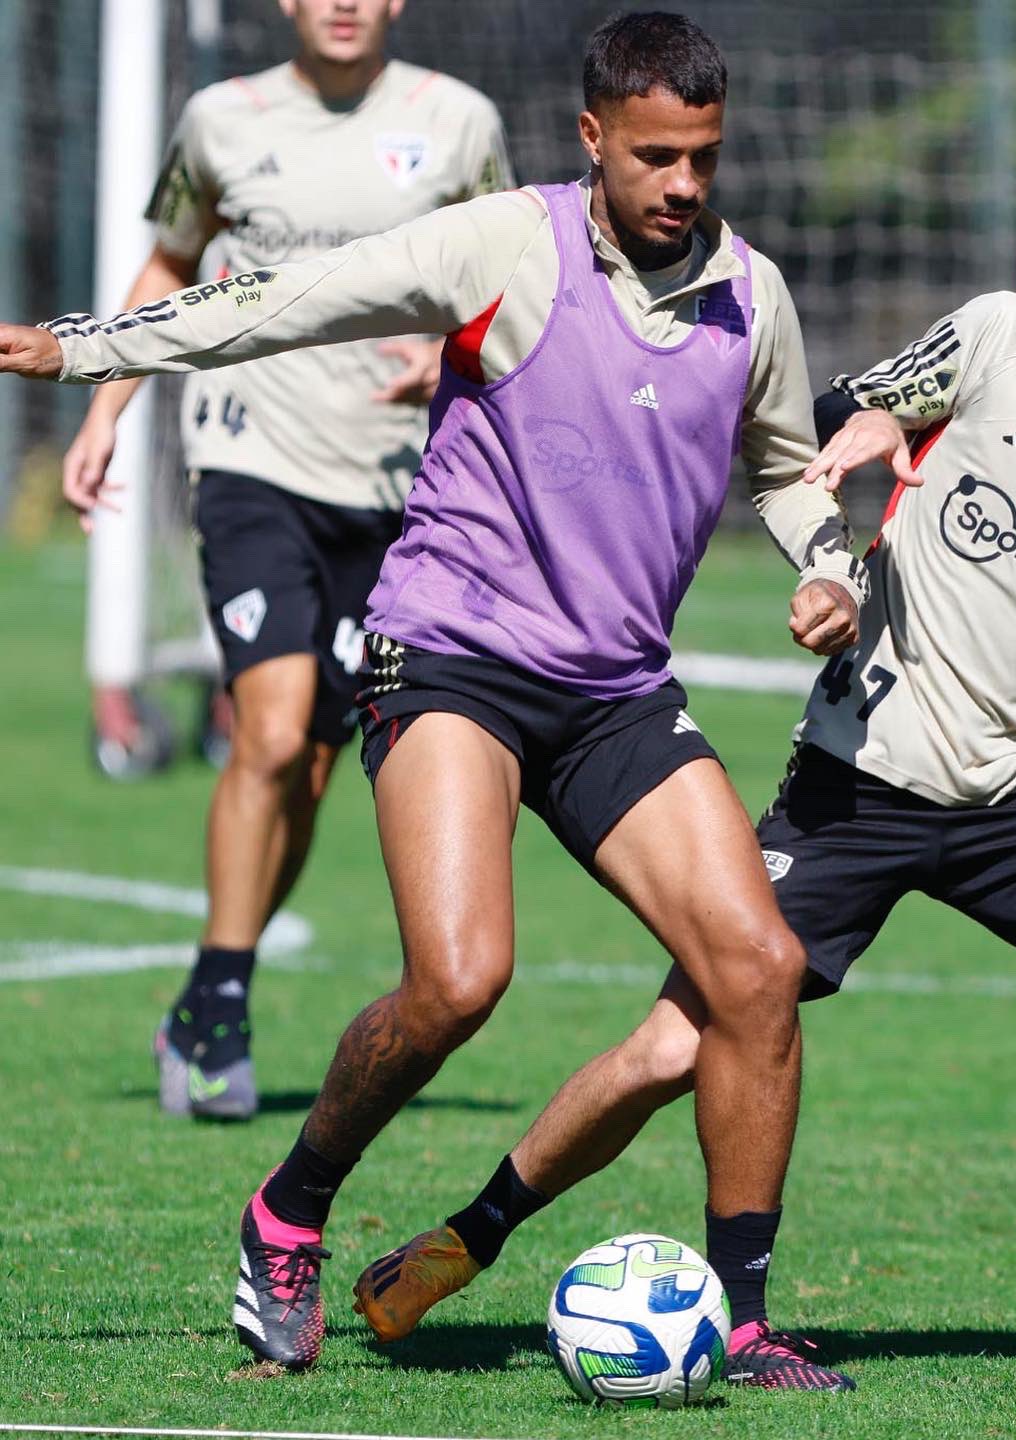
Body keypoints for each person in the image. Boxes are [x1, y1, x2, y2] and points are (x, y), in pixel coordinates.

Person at [340, 163, 1016, 1391]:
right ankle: (467, 1240)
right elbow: (826, 411)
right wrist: (887, 426)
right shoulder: (1007, 336)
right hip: (855, 786)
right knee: (674, 1048)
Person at [1, 11, 870, 1385]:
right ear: (593, 139)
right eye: (654, 157)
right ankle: (289, 1211)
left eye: (702, 157)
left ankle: (748, 1318)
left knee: (757, 973)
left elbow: (788, 468)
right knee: (460, 979)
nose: (684, 185)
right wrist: (86, 353)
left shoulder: (749, 295)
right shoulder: (504, 244)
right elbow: (283, 300)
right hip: (450, 654)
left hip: (615, 689)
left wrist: (832, 567)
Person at [59, 0, 514, 1120]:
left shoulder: (457, 122)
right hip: (249, 459)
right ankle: (218, 1000)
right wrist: (105, 409)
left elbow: (511, 276)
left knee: (312, 761)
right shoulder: (220, 119)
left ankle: (220, 978)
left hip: (397, 485)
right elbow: (168, 263)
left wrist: (455, 356)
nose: (344, 3)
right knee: (266, 726)